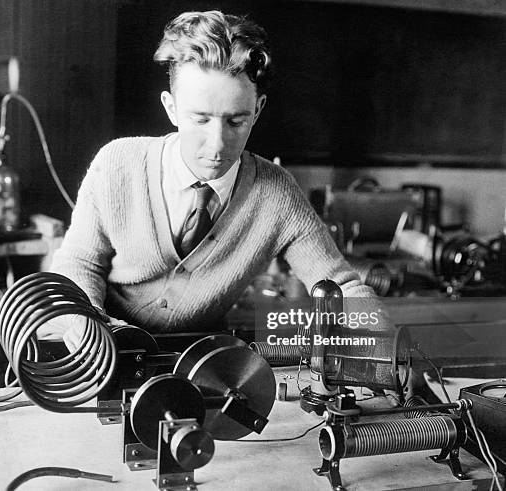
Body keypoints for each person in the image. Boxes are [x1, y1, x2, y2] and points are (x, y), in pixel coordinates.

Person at [50, 10, 384, 350]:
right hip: (103, 353)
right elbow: (77, 262)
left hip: (206, 364)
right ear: (171, 108)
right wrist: (89, 327)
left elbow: (341, 287)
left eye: (236, 122)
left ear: (257, 109)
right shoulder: (117, 164)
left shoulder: (277, 193)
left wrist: (392, 354)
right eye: (200, 119)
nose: (217, 144)